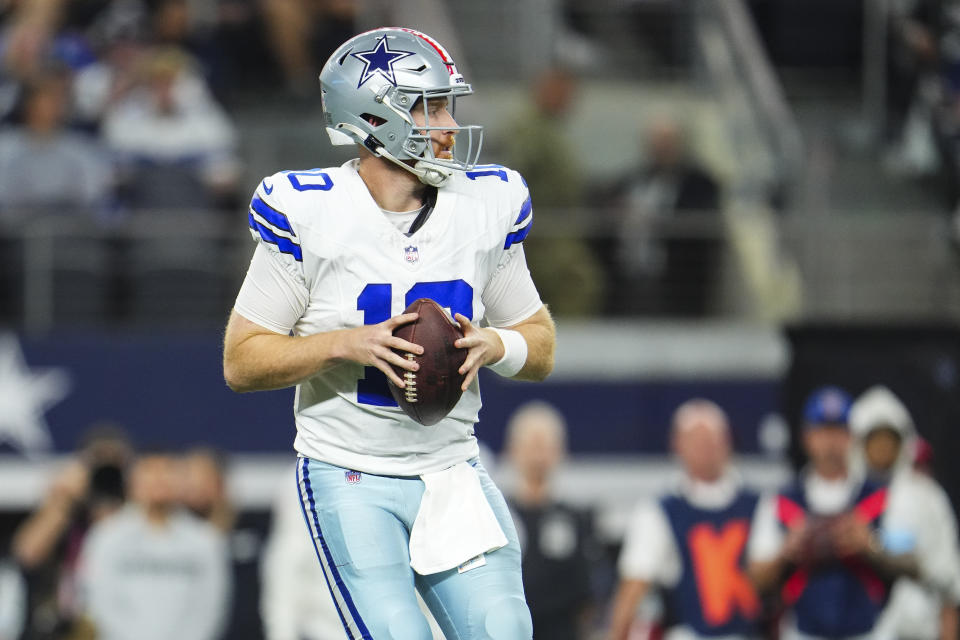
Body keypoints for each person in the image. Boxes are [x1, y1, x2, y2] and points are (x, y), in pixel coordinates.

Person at [222, 27, 556, 640]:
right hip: (349, 470)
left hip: (451, 468)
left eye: (447, 104)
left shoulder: (486, 204)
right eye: (429, 106)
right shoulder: (312, 211)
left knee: (505, 628)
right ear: (374, 118)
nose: (450, 122)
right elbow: (241, 362)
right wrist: (345, 343)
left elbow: (540, 343)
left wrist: (496, 344)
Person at [748, 387, 920, 640]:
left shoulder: (880, 496)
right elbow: (756, 576)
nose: (830, 441)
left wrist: (871, 543)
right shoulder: (783, 501)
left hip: (868, 631)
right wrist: (786, 551)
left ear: (852, 437)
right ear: (806, 436)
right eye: (822, 431)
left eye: (838, 431)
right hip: (804, 631)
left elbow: (912, 557)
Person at [608, 399, 761, 640]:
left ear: (727, 442)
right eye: (696, 441)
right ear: (677, 445)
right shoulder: (658, 512)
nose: (705, 449)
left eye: (711, 440)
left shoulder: (759, 505)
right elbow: (634, 584)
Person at [77, 449, 230, 640]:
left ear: (181, 482)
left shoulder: (205, 541)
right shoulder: (106, 537)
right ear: (132, 482)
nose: (158, 480)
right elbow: (101, 603)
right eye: (149, 472)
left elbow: (209, 607)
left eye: (167, 471)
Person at [849, 386, 960, 640]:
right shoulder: (848, 495)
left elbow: (949, 574)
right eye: (874, 440)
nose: (882, 448)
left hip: (919, 628)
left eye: (890, 439)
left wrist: (875, 547)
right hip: (862, 628)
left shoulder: (926, 495)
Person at [606, 115, 722, 317]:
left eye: (666, 142)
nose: (660, 148)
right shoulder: (635, 179)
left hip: (676, 278)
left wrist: (658, 220)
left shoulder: (699, 183)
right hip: (630, 272)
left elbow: (700, 222)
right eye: (656, 142)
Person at [503, 401, 599, 640]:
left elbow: (587, 593)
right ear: (513, 449)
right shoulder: (494, 517)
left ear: (560, 451)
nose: (538, 455)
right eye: (531, 445)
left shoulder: (577, 519)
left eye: (544, 445)